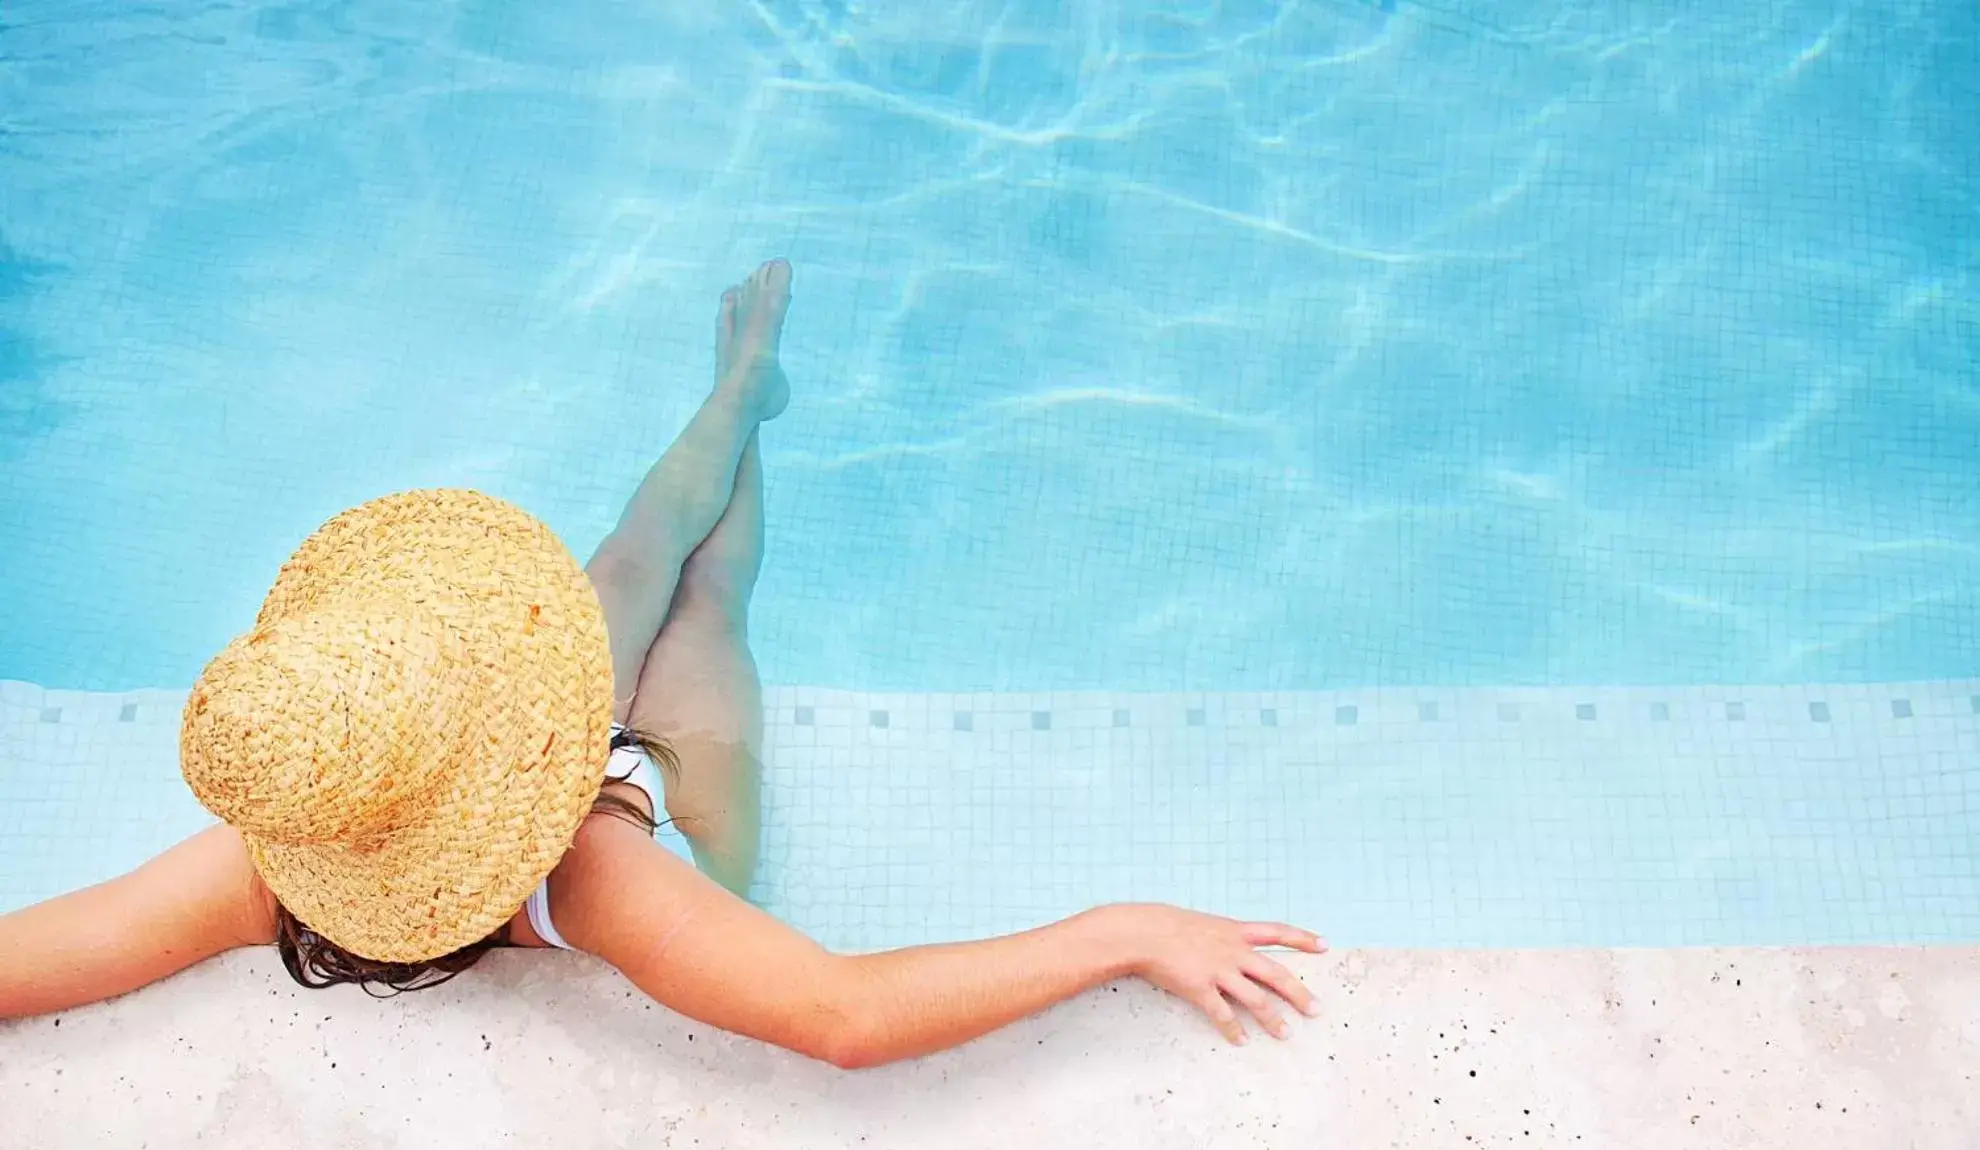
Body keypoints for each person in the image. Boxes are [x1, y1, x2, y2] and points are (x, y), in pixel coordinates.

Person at [0, 260, 1326, 1065]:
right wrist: (1124, 931)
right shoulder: (604, 881)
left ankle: (740, 386)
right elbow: (843, 1018)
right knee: (703, 596)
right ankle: (749, 400)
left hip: (540, 768)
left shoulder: (269, 854)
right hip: (650, 794)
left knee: (637, 559)